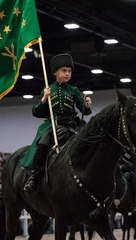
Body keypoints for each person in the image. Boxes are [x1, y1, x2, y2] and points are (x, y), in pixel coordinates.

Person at [23, 53, 92, 193]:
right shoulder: (47, 89)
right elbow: (36, 112)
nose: (67, 74)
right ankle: (34, 176)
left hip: (72, 124)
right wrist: (44, 99)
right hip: (53, 125)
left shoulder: (73, 90)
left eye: (69, 71)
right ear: (55, 72)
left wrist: (87, 105)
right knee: (43, 143)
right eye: (64, 71)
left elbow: (84, 110)